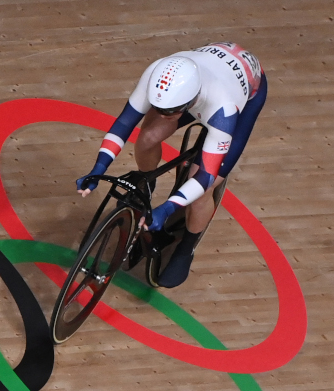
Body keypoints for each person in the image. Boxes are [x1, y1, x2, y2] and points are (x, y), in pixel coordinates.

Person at [77, 42, 267, 287]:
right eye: (160, 109)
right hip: (206, 74)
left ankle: (186, 247)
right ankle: (147, 183)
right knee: (147, 138)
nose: (165, 115)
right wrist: (98, 168)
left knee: (201, 191)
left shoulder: (224, 108)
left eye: (171, 111)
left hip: (243, 93)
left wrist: (166, 209)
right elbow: (123, 125)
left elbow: (204, 178)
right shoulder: (156, 76)